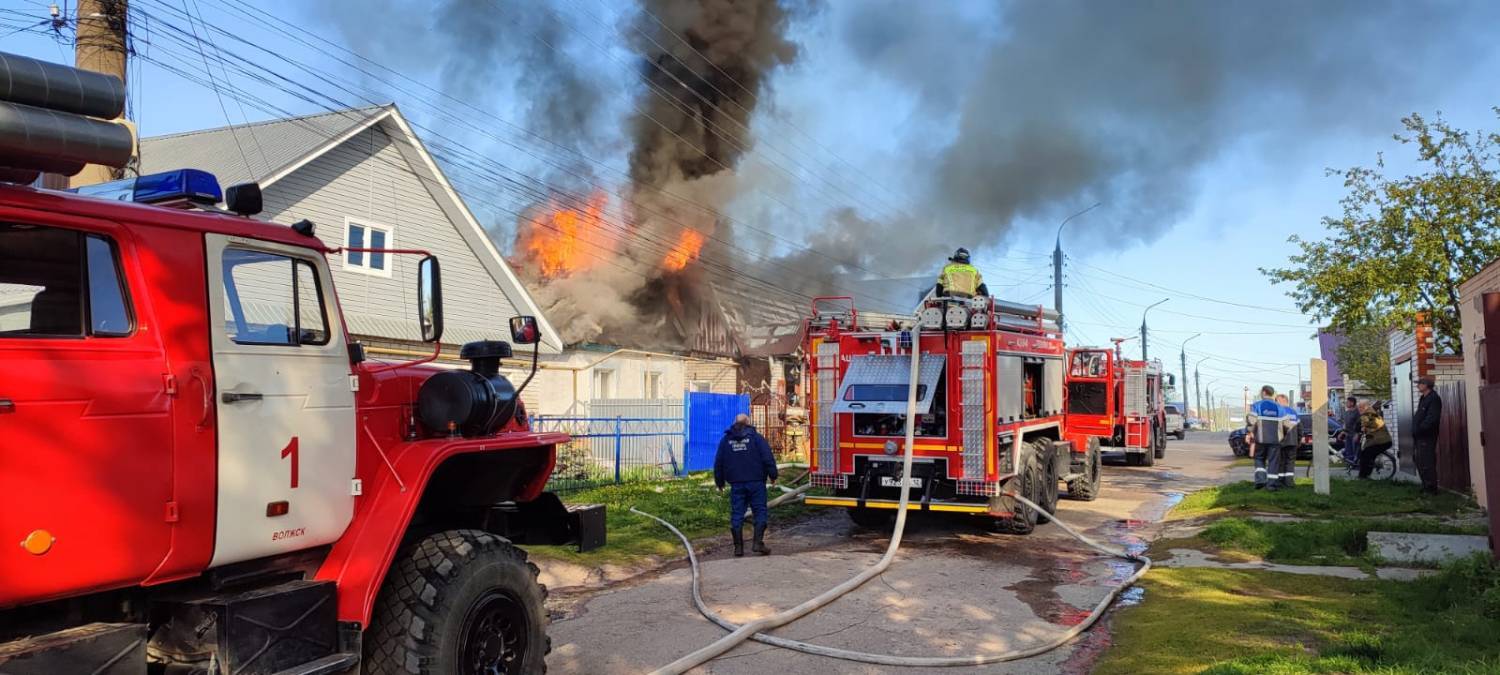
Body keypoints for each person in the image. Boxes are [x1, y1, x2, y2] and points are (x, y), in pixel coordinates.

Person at [714, 413, 778, 556]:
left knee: (737, 514)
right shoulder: (756, 439)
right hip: (756, 483)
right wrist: (773, 476)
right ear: (748, 422)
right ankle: (757, 543)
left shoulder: (726, 440)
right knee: (760, 512)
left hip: (736, 484)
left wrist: (719, 482)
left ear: (734, 422)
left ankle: (738, 547)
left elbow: (719, 462)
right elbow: (768, 458)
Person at [1246, 386, 1284, 489]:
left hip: (1260, 439)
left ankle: (1260, 481)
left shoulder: (1257, 405)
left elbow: (1251, 421)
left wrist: (1249, 432)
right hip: (1275, 440)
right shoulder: (1279, 407)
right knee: (1273, 461)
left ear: (1263, 392)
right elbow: (1287, 424)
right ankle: (1272, 485)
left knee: (1259, 458)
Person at [1413, 378, 1443, 494]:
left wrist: (1421, 429)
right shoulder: (1423, 398)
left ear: (1426, 385)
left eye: (1419, 384)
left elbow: (1432, 418)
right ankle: (1425, 485)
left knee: (1427, 461)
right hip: (1419, 436)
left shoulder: (1434, 398)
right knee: (1420, 460)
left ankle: (1431, 489)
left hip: (1427, 435)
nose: (1417, 386)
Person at [1358, 400, 1394, 479]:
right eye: (1359, 407)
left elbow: (1370, 424)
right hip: (1382, 441)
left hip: (1380, 441)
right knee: (1368, 455)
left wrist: (1363, 428)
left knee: (1365, 455)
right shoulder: (1372, 413)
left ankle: (1363, 477)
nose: (1359, 409)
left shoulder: (1367, 414)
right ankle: (1366, 475)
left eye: (1361, 407)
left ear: (1366, 407)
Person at [1273, 394, 1300, 489]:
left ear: (1281, 401)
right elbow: (1300, 428)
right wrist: (1299, 440)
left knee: (1280, 462)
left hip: (1280, 442)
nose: (1275, 403)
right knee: (1290, 462)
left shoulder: (1278, 412)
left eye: (1276, 401)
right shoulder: (1294, 412)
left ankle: (1280, 482)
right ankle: (1289, 482)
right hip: (1292, 442)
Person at [1340, 395, 1363, 465]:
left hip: (1355, 434)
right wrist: (1342, 432)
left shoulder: (1357, 412)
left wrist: (1357, 434)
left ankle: (1357, 465)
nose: (1346, 404)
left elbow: (1360, 424)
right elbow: (1345, 423)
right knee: (1348, 450)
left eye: (1347, 402)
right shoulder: (1346, 412)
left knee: (1355, 450)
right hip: (1347, 434)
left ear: (1352, 403)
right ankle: (1350, 465)